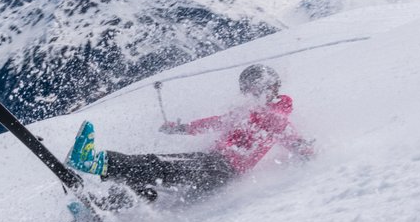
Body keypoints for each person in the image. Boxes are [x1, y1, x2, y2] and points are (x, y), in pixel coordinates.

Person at [66, 64, 314, 204]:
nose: (251, 93)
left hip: (224, 168)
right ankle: (122, 204)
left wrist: (306, 150)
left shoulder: (276, 114)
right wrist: (181, 128)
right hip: (214, 165)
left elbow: (289, 134)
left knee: (158, 165)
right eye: (247, 88)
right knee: (162, 175)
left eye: (257, 87)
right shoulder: (246, 110)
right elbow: (214, 123)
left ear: (272, 88)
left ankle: (95, 161)